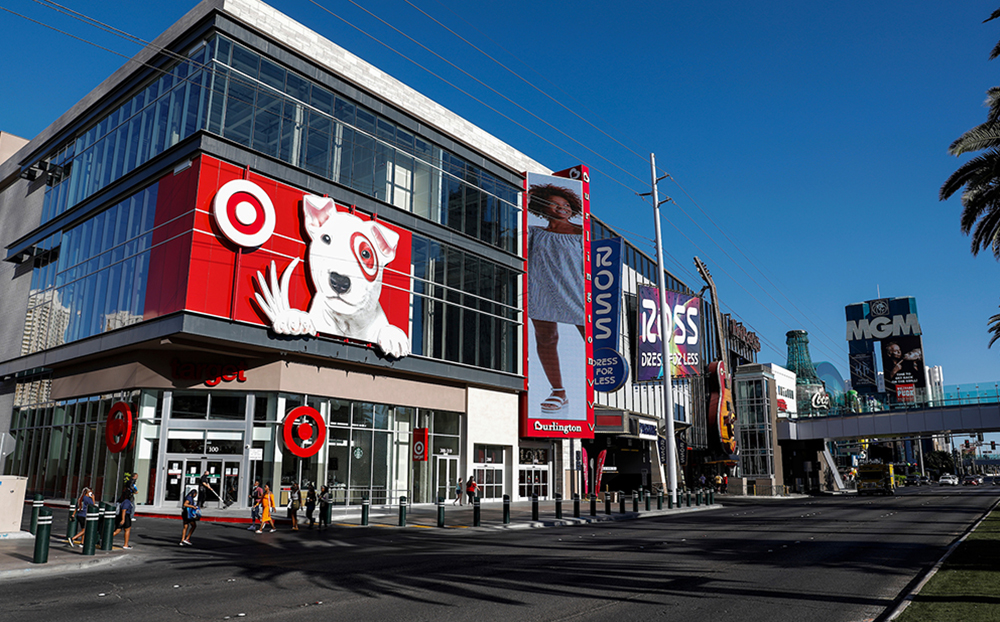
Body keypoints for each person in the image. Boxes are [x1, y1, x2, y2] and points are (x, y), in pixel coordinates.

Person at [527, 183, 585, 413]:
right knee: (546, 338)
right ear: (542, 206)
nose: (563, 208)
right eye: (555, 203)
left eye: (567, 204)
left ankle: (606, 380)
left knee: (592, 340)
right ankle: (559, 391)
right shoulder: (534, 232)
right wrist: (528, 196)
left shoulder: (583, 232)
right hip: (541, 292)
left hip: (575, 292)